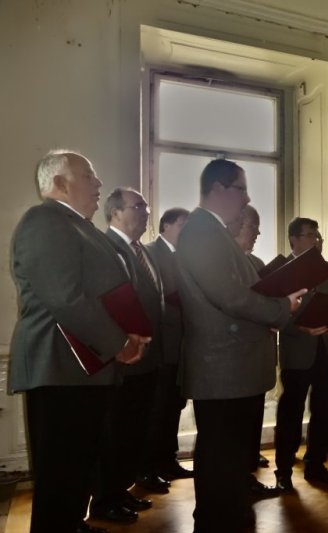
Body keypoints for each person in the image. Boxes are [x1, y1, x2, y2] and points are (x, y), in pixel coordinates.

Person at [9, 150, 146, 533]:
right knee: (60, 473)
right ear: (59, 183)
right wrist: (118, 342)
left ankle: (72, 524)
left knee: (78, 466)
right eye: (88, 176)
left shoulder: (76, 225)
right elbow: (65, 298)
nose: (98, 183)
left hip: (82, 366)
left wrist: (128, 330)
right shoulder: (45, 220)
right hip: (60, 365)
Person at [175, 159, 305, 533]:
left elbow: (239, 293)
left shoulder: (212, 232)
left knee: (229, 460)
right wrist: (281, 308)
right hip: (222, 367)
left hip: (232, 366)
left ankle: (229, 519)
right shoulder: (202, 230)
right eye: (241, 189)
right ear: (219, 189)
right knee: (221, 458)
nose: (247, 198)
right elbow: (230, 296)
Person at [90, 188, 166, 524]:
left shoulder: (143, 251)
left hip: (148, 359)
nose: (146, 212)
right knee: (115, 433)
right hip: (123, 360)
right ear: (116, 212)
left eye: (146, 206)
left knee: (135, 431)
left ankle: (122, 491)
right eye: (138, 206)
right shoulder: (106, 247)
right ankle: (105, 500)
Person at [274, 217, 328, 490]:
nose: (316, 240)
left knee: (325, 410)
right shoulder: (280, 271)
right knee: (290, 413)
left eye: (318, 236)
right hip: (297, 351)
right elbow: (273, 313)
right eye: (310, 235)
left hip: (326, 349)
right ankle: (283, 471)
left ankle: (316, 465)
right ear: (293, 239)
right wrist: (300, 328)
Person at [143, 207, 193, 481]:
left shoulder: (186, 256)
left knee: (174, 405)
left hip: (182, 345)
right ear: (165, 226)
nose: (187, 231)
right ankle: (149, 466)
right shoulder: (151, 252)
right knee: (157, 408)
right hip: (161, 345)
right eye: (183, 224)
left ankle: (168, 460)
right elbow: (160, 295)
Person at [229, 205, 277, 488]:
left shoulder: (257, 263)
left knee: (254, 413)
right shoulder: (225, 263)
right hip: (237, 357)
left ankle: (249, 461)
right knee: (235, 424)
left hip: (260, 353)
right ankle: (239, 480)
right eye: (253, 227)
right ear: (236, 224)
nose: (258, 233)